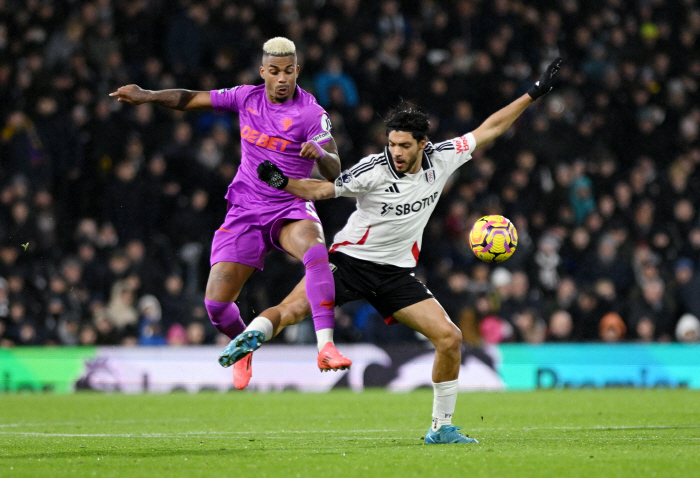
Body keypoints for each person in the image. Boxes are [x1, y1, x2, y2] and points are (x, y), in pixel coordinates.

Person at [224, 58, 562, 443]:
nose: (396, 152)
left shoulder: (443, 157)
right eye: (392, 144)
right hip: (349, 263)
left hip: (395, 274)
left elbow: (492, 127)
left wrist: (534, 92)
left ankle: (441, 428)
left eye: (404, 145)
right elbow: (321, 190)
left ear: (423, 144)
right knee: (291, 310)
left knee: (450, 338)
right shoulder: (372, 169)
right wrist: (284, 182)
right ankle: (248, 338)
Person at [110, 37, 351, 389]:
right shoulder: (245, 97)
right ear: (263, 72)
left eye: (288, 71)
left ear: (297, 70)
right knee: (216, 307)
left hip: (290, 205)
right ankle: (243, 346)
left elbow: (336, 170)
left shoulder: (312, 113)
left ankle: (325, 345)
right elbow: (191, 98)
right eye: (274, 71)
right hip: (246, 210)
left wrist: (320, 155)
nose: (282, 78)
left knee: (316, 251)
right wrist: (148, 95)